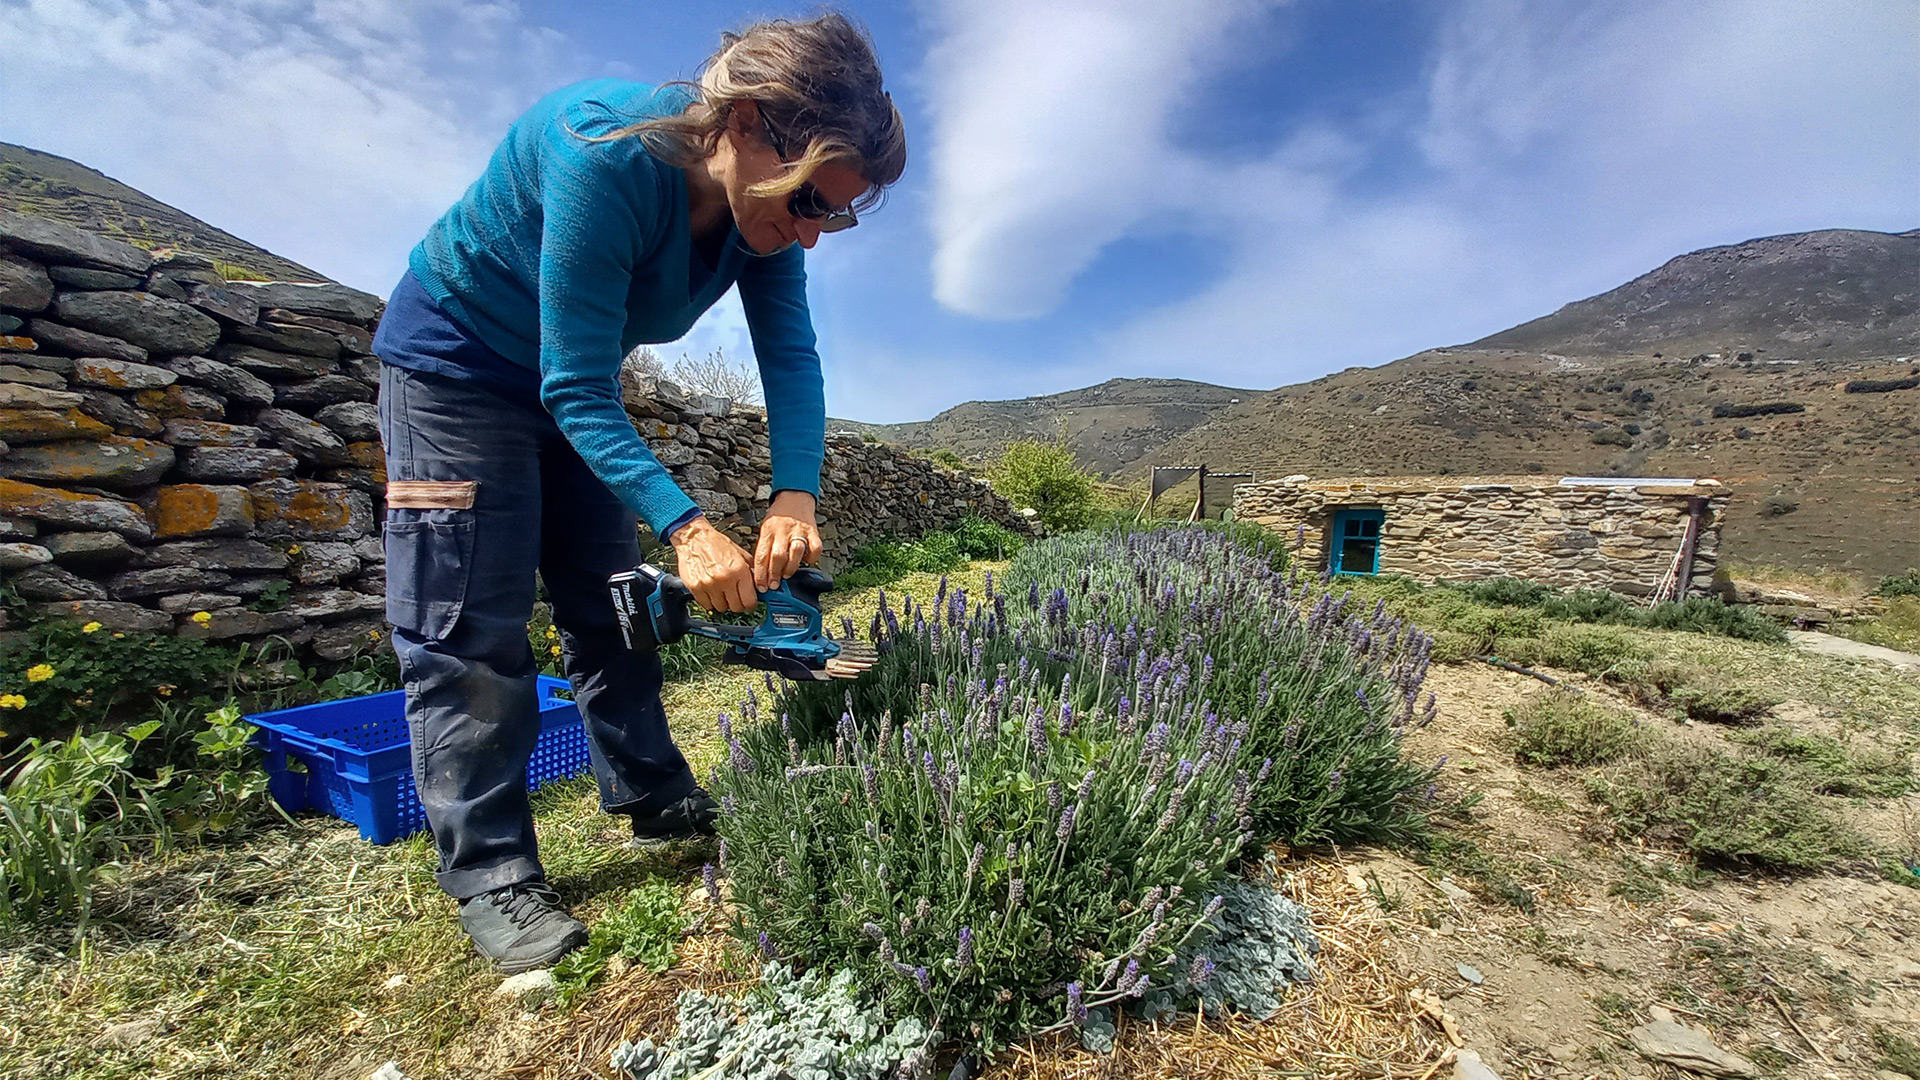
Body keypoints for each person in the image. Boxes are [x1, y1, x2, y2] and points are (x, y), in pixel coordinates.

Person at [370, 14, 906, 973]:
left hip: (574, 378)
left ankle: (651, 792)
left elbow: (791, 356)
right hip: (455, 365)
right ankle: (493, 873)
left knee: (610, 598)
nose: (816, 235)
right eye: (815, 201)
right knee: (469, 628)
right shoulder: (601, 151)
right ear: (746, 124)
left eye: (841, 213)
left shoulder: (764, 220)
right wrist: (690, 527)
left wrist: (795, 496)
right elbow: (571, 384)